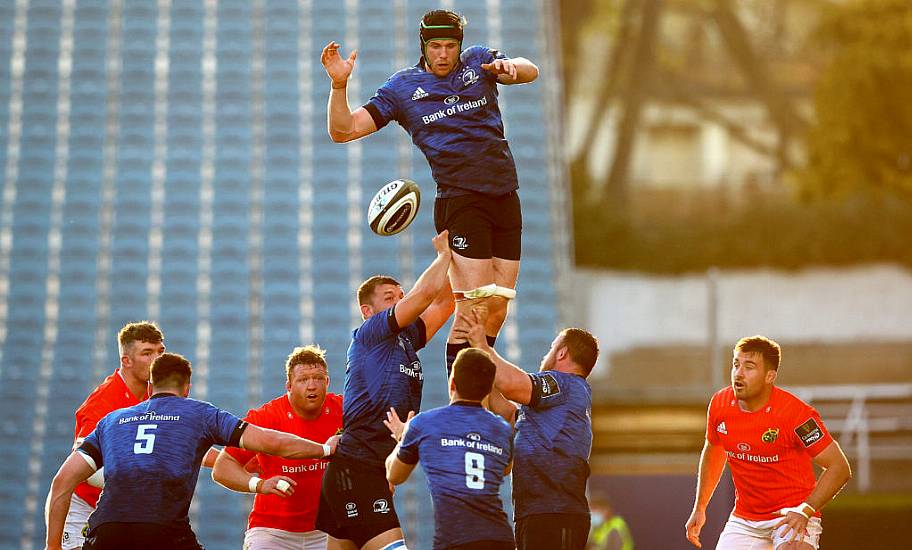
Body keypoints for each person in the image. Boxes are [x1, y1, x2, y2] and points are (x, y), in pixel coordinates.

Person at [320, 8, 540, 375]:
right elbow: (343, 131)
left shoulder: (480, 63)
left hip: (505, 195)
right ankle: (465, 407)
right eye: (435, 46)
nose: (443, 54)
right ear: (423, 46)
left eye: (450, 46)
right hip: (461, 200)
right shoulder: (403, 88)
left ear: (460, 46)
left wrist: (513, 68)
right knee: (474, 307)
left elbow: (529, 69)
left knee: (498, 309)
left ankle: (478, 393)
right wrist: (339, 85)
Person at [44, 352, 339, 550]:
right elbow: (272, 442)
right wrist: (324, 449)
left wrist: (53, 546)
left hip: (106, 529)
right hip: (163, 529)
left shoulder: (113, 420)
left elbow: (61, 483)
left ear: (150, 386)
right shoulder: (198, 414)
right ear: (187, 387)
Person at [315, 231, 454, 550]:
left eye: (401, 294)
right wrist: (443, 255)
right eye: (391, 297)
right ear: (367, 310)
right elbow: (424, 295)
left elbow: (446, 301)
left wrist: (458, 253)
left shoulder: (407, 339)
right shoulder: (370, 333)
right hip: (357, 465)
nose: (401, 301)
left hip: (370, 468)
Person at [684, 336, 852, 550]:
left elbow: (839, 467)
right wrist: (700, 506)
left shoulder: (797, 415)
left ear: (769, 376)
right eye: (736, 364)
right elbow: (715, 450)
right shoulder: (720, 404)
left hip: (792, 515)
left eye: (749, 367)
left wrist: (805, 510)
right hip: (745, 520)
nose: (739, 373)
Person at [455, 308, 600, 550]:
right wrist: (477, 362)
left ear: (562, 352)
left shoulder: (563, 383)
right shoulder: (557, 402)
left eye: (551, 348)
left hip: (554, 513)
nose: (547, 354)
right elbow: (508, 411)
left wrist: (483, 344)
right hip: (537, 512)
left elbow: (512, 385)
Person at [211, 345, 343, 550]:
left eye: (318, 378)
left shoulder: (346, 410)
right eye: (303, 380)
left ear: (327, 382)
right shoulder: (265, 417)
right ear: (288, 386)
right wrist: (260, 485)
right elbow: (222, 468)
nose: (311, 386)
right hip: (271, 531)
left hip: (329, 530)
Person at [384, 348, 515, 550]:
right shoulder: (503, 430)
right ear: (489, 390)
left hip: (456, 540)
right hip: (501, 539)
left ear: (452, 383)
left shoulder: (424, 424)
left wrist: (403, 437)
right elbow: (505, 469)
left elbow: (395, 475)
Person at [58, 321, 164, 550]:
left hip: (126, 511)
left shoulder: (158, 396)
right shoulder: (102, 404)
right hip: (87, 507)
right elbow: (85, 472)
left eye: (160, 352)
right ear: (126, 360)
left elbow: (184, 441)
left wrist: (232, 461)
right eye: (147, 353)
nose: (158, 359)